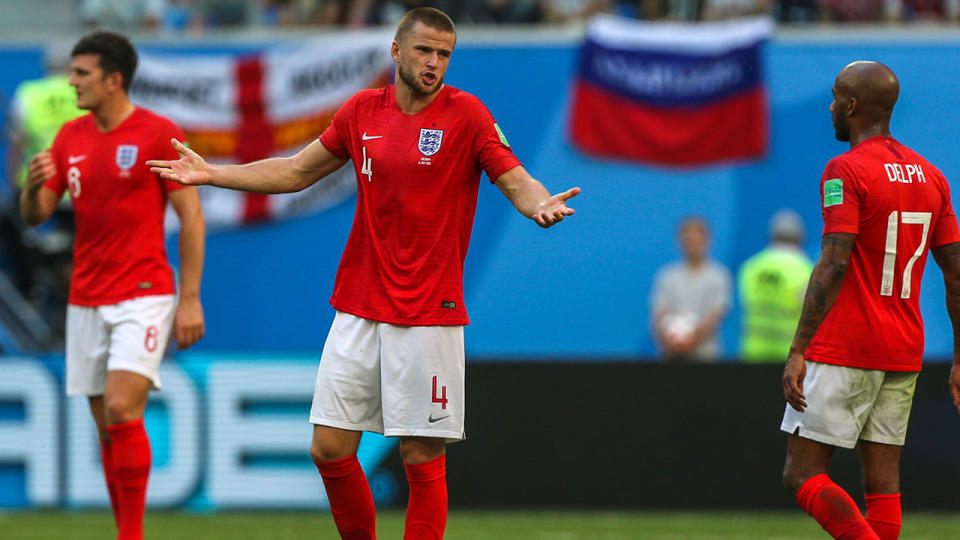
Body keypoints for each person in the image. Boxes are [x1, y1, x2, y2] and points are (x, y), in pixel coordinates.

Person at [147, 7, 578, 539]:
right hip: (359, 305)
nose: (434, 63)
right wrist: (213, 174)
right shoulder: (360, 111)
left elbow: (514, 178)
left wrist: (539, 204)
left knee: (420, 452)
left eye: (445, 54)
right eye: (424, 50)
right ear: (396, 51)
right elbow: (295, 171)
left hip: (429, 313)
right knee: (328, 448)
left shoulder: (467, 116)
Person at [19, 31, 206, 540]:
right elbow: (35, 216)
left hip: (144, 292)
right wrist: (34, 185)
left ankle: (131, 535)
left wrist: (189, 299)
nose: (72, 81)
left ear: (113, 79)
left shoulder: (157, 133)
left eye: (82, 73)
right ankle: (127, 528)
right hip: (86, 298)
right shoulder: (69, 137)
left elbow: (191, 216)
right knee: (108, 428)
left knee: (124, 408)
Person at [780, 60, 960, 540]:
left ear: (852, 106)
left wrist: (798, 348)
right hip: (903, 348)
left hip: (846, 345)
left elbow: (834, 261)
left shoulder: (845, 169)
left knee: (801, 474)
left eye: (837, 97)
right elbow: (956, 271)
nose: (832, 107)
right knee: (882, 485)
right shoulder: (932, 176)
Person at [650, 217, 732, 362]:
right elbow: (659, 312)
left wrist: (689, 339)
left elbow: (717, 314)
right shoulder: (667, 275)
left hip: (705, 356)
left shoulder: (720, 276)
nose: (692, 243)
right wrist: (671, 338)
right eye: (688, 238)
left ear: (707, 239)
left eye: (697, 238)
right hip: (671, 355)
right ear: (680, 241)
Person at [738, 209, 813, 362]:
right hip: (789, 354)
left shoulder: (751, 267)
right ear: (800, 238)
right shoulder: (804, 269)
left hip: (753, 351)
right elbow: (811, 312)